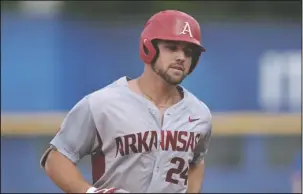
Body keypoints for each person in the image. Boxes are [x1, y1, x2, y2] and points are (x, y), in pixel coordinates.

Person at [40, 10, 212, 193]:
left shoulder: (199, 114)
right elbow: (56, 159)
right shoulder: (102, 103)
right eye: (172, 47)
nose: (181, 57)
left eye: (188, 52)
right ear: (149, 47)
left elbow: (196, 162)